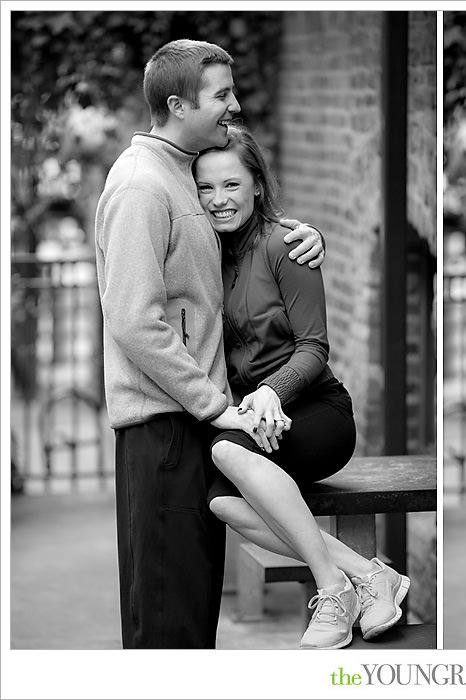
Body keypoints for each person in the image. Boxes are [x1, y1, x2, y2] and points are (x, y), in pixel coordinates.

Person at [95, 39, 324, 649]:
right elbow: (134, 320)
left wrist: (299, 237)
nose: (234, 104)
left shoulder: (181, 174)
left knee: (192, 613)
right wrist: (214, 404)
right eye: (221, 94)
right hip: (164, 426)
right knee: (167, 620)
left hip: (189, 422)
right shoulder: (143, 185)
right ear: (177, 103)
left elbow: (230, 250)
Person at [193, 125, 410, 650]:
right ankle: (368, 576)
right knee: (223, 503)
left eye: (232, 185)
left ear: (257, 186)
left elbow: (315, 347)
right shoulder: (202, 256)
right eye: (206, 188)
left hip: (316, 413)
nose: (220, 200)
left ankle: (332, 590)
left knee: (224, 453)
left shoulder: (287, 245)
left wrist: (272, 391)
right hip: (254, 421)